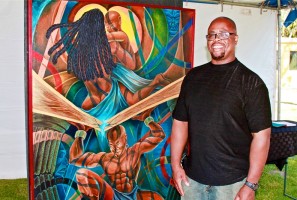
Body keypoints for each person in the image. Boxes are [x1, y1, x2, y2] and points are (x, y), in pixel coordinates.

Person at [170, 16, 272, 200]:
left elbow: (262, 137)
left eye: (224, 34)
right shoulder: (192, 78)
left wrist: (251, 184)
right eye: (212, 35)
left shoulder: (251, 83)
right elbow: (180, 123)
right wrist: (175, 165)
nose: (216, 39)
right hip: (192, 181)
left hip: (233, 185)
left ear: (235, 38)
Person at [69, 110, 165, 199]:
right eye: (111, 145)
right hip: (114, 196)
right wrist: (81, 133)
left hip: (135, 194)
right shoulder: (104, 158)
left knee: (156, 198)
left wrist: (147, 119)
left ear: (125, 139)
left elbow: (159, 135)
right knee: (81, 174)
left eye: (118, 143)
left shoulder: (134, 151)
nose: (115, 149)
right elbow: (74, 159)